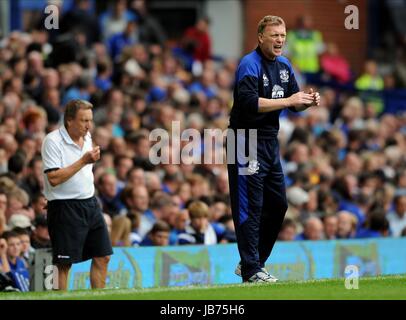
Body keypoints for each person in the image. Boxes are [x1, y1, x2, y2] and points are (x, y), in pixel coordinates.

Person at [227, 15, 320, 283]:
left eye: (282, 35)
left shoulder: (284, 65)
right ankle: (251, 268)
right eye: (274, 35)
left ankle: (253, 262)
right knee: (250, 206)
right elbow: (247, 104)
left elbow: (293, 103)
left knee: (278, 204)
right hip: (244, 139)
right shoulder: (249, 65)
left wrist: (307, 101)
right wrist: (290, 99)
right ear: (261, 37)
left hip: (269, 141)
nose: (280, 40)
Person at [41, 99, 113, 290]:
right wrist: (84, 160)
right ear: (69, 120)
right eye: (83, 121)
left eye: (90, 120)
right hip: (65, 207)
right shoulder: (53, 141)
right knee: (63, 264)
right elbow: (54, 178)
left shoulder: (87, 137)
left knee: (103, 255)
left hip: (90, 203)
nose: (88, 125)